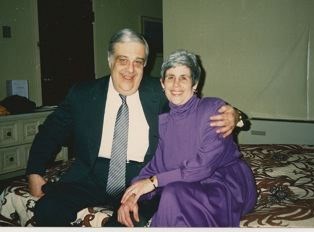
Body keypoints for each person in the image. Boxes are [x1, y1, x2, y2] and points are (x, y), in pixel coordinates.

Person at [26, 28, 239, 226]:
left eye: (138, 62)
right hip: (89, 177)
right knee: (47, 209)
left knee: (123, 224)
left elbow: (196, 107)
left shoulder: (163, 91)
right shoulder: (83, 94)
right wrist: (34, 171)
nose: (130, 69)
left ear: (145, 65)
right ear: (110, 61)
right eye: (123, 60)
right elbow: (50, 132)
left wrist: (235, 116)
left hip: (141, 178)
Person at [118, 50, 256, 227]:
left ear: (195, 84)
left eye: (184, 77)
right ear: (162, 83)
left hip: (225, 184)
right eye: (170, 77)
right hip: (188, 186)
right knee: (172, 193)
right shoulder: (164, 122)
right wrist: (132, 196)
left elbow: (203, 167)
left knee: (171, 194)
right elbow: (155, 165)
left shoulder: (213, 109)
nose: (176, 84)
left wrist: (154, 182)